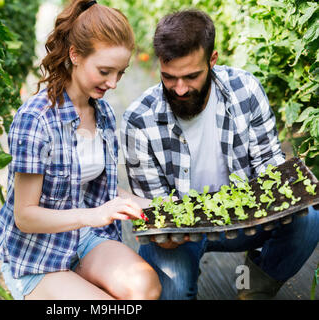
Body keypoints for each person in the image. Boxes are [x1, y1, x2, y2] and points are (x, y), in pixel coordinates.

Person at [120, 9, 319, 300]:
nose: (179, 88)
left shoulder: (245, 90)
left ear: (212, 61)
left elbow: (269, 164)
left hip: (247, 219)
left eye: (191, 76)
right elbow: (156, 207)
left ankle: (253, 285)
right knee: (174, 290)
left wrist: (286, 196)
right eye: (169, 77)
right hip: (180, 234)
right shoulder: (138, 120)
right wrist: (165, 234)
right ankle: (185, 270)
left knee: (309, 217)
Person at [0, 0, 161, 300]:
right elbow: (25, 216)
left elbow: (101, 190)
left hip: (82, 238)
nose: (113, 83)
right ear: (75, 55)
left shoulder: (104, 113)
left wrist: (149, 205)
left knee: (146, 287)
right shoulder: (36, 118)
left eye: (120, 73)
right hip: (35, 254)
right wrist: (93, 215)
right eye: (105, 71)